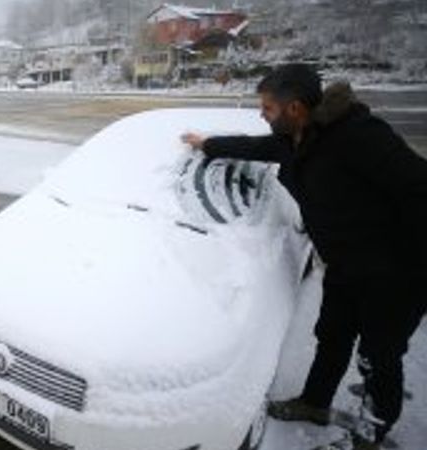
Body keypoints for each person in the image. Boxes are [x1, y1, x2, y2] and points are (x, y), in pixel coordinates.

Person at [181, 64, 427, 450]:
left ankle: (370, 435)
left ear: (294, 107)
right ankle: (315, 403)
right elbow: (255, 147)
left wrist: (411, 263)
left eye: (267, 108)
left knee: (378, 357)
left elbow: (418, 188)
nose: (262, 114)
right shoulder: (293, 138)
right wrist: (208, 144)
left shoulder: (359, 136)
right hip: (345, 266)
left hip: (394, 272)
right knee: (331, 337)